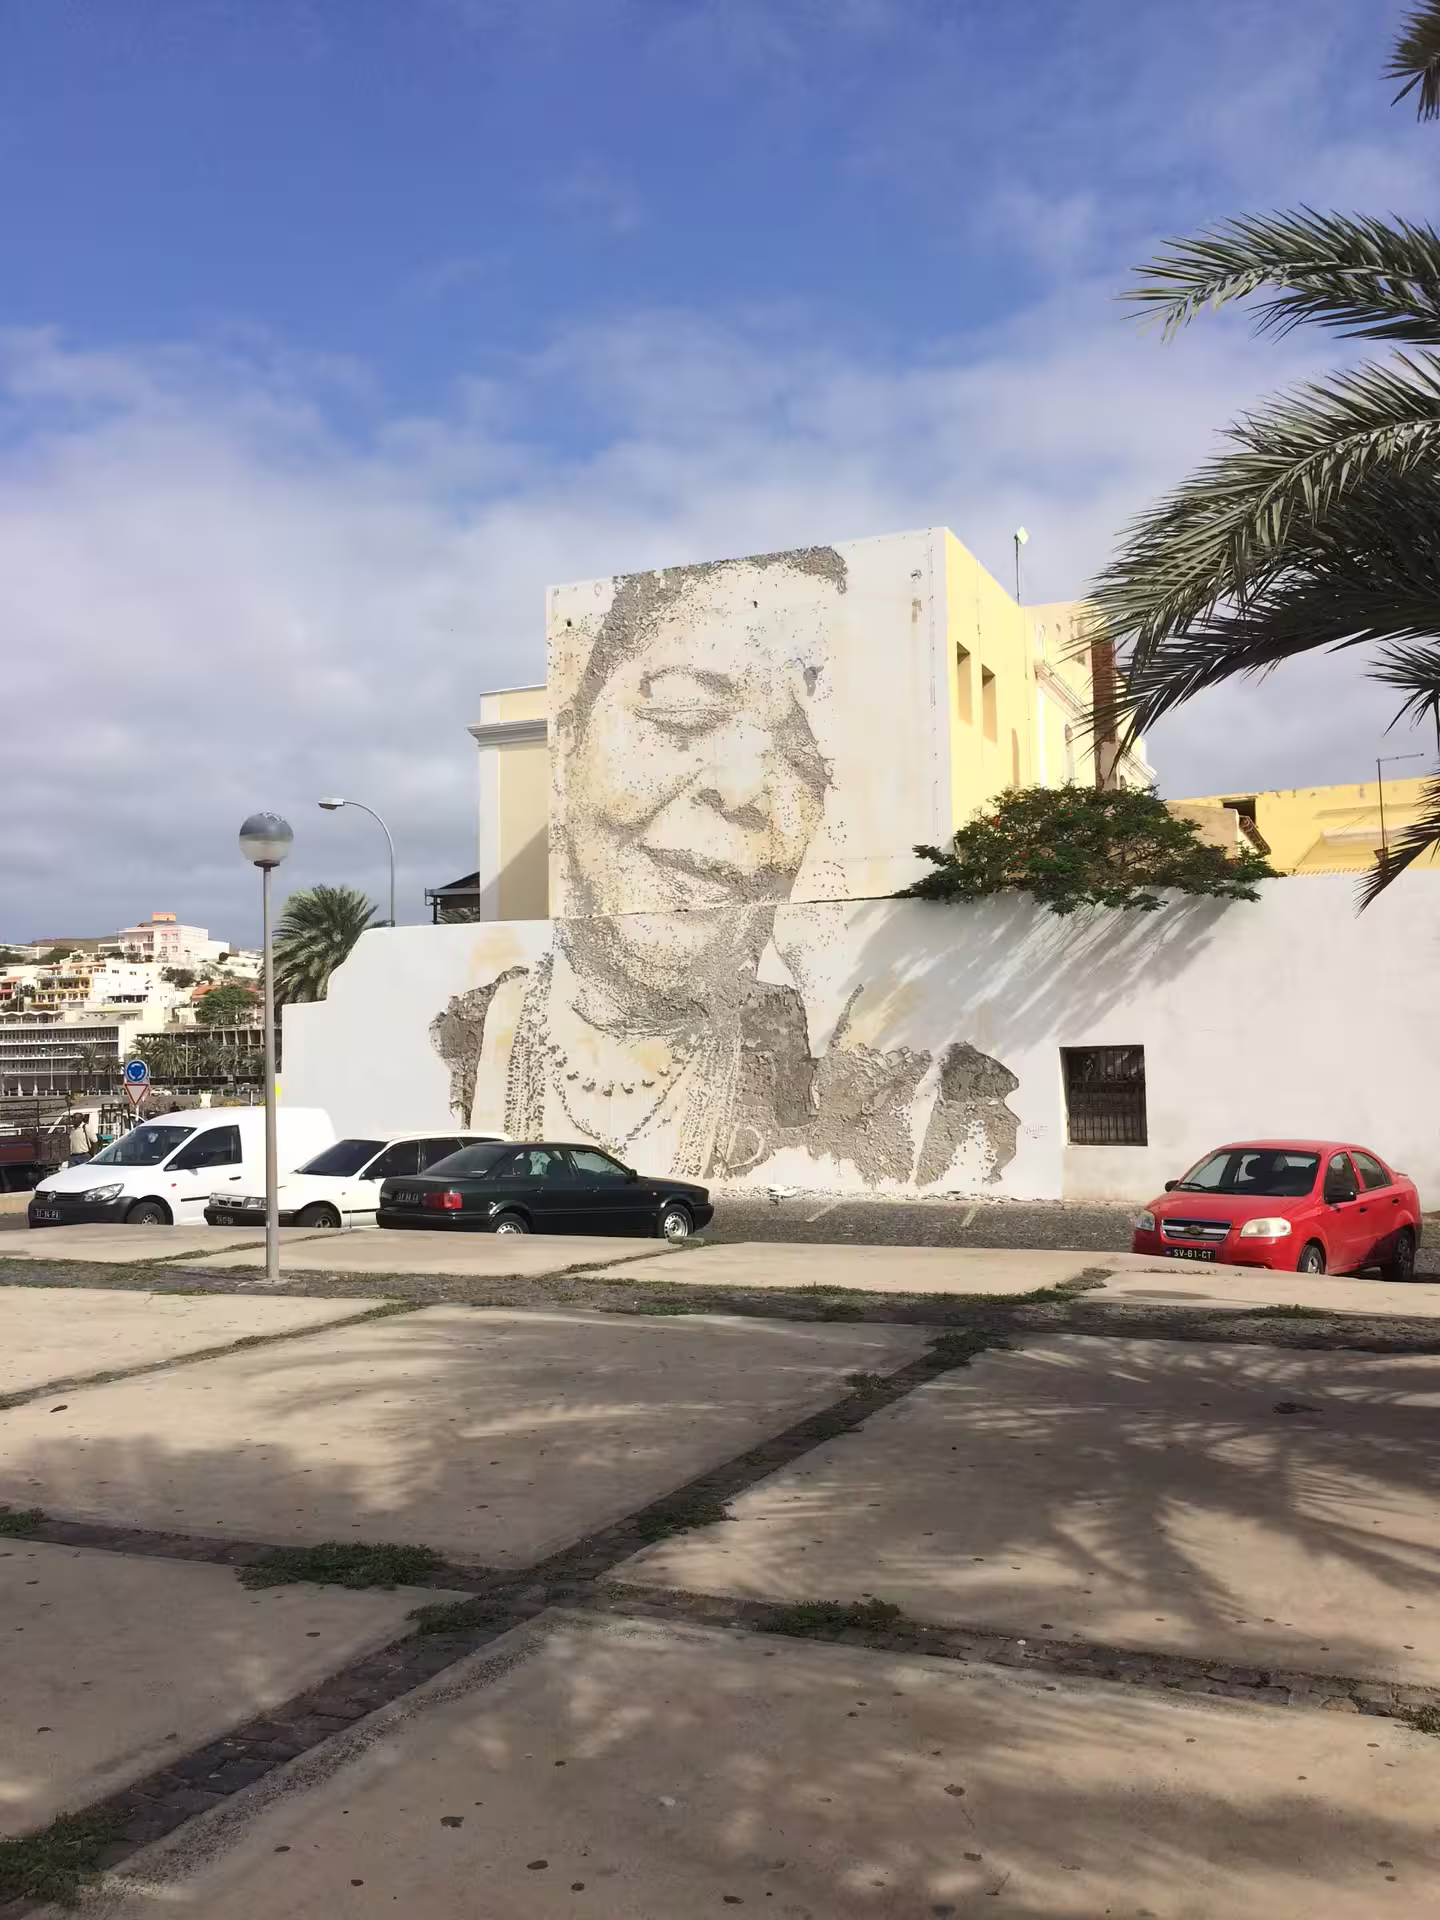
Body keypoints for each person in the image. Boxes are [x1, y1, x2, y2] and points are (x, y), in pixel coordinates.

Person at [432, 547, 1020, 1186]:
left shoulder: (869, 1076)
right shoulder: (456, 1036)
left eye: (806, 758)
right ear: (570, 737)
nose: (742, 788)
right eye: (685, 710)